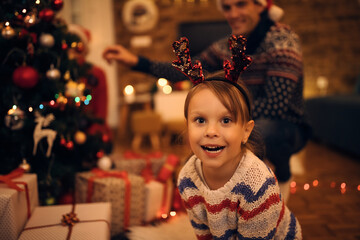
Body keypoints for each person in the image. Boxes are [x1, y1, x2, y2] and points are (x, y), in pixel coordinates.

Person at [103, 0, 311, 202]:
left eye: (241, 4)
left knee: (260, 133)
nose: (233, 13)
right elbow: (185, 69)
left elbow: (275, 106)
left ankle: (281, 177)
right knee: (206, 145)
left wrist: (226, 117)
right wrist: (137, 62)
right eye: (227, 7)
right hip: (241, 120)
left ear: (260, 5)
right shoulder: (225, 47)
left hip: (285, 126)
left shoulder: (283, 41)